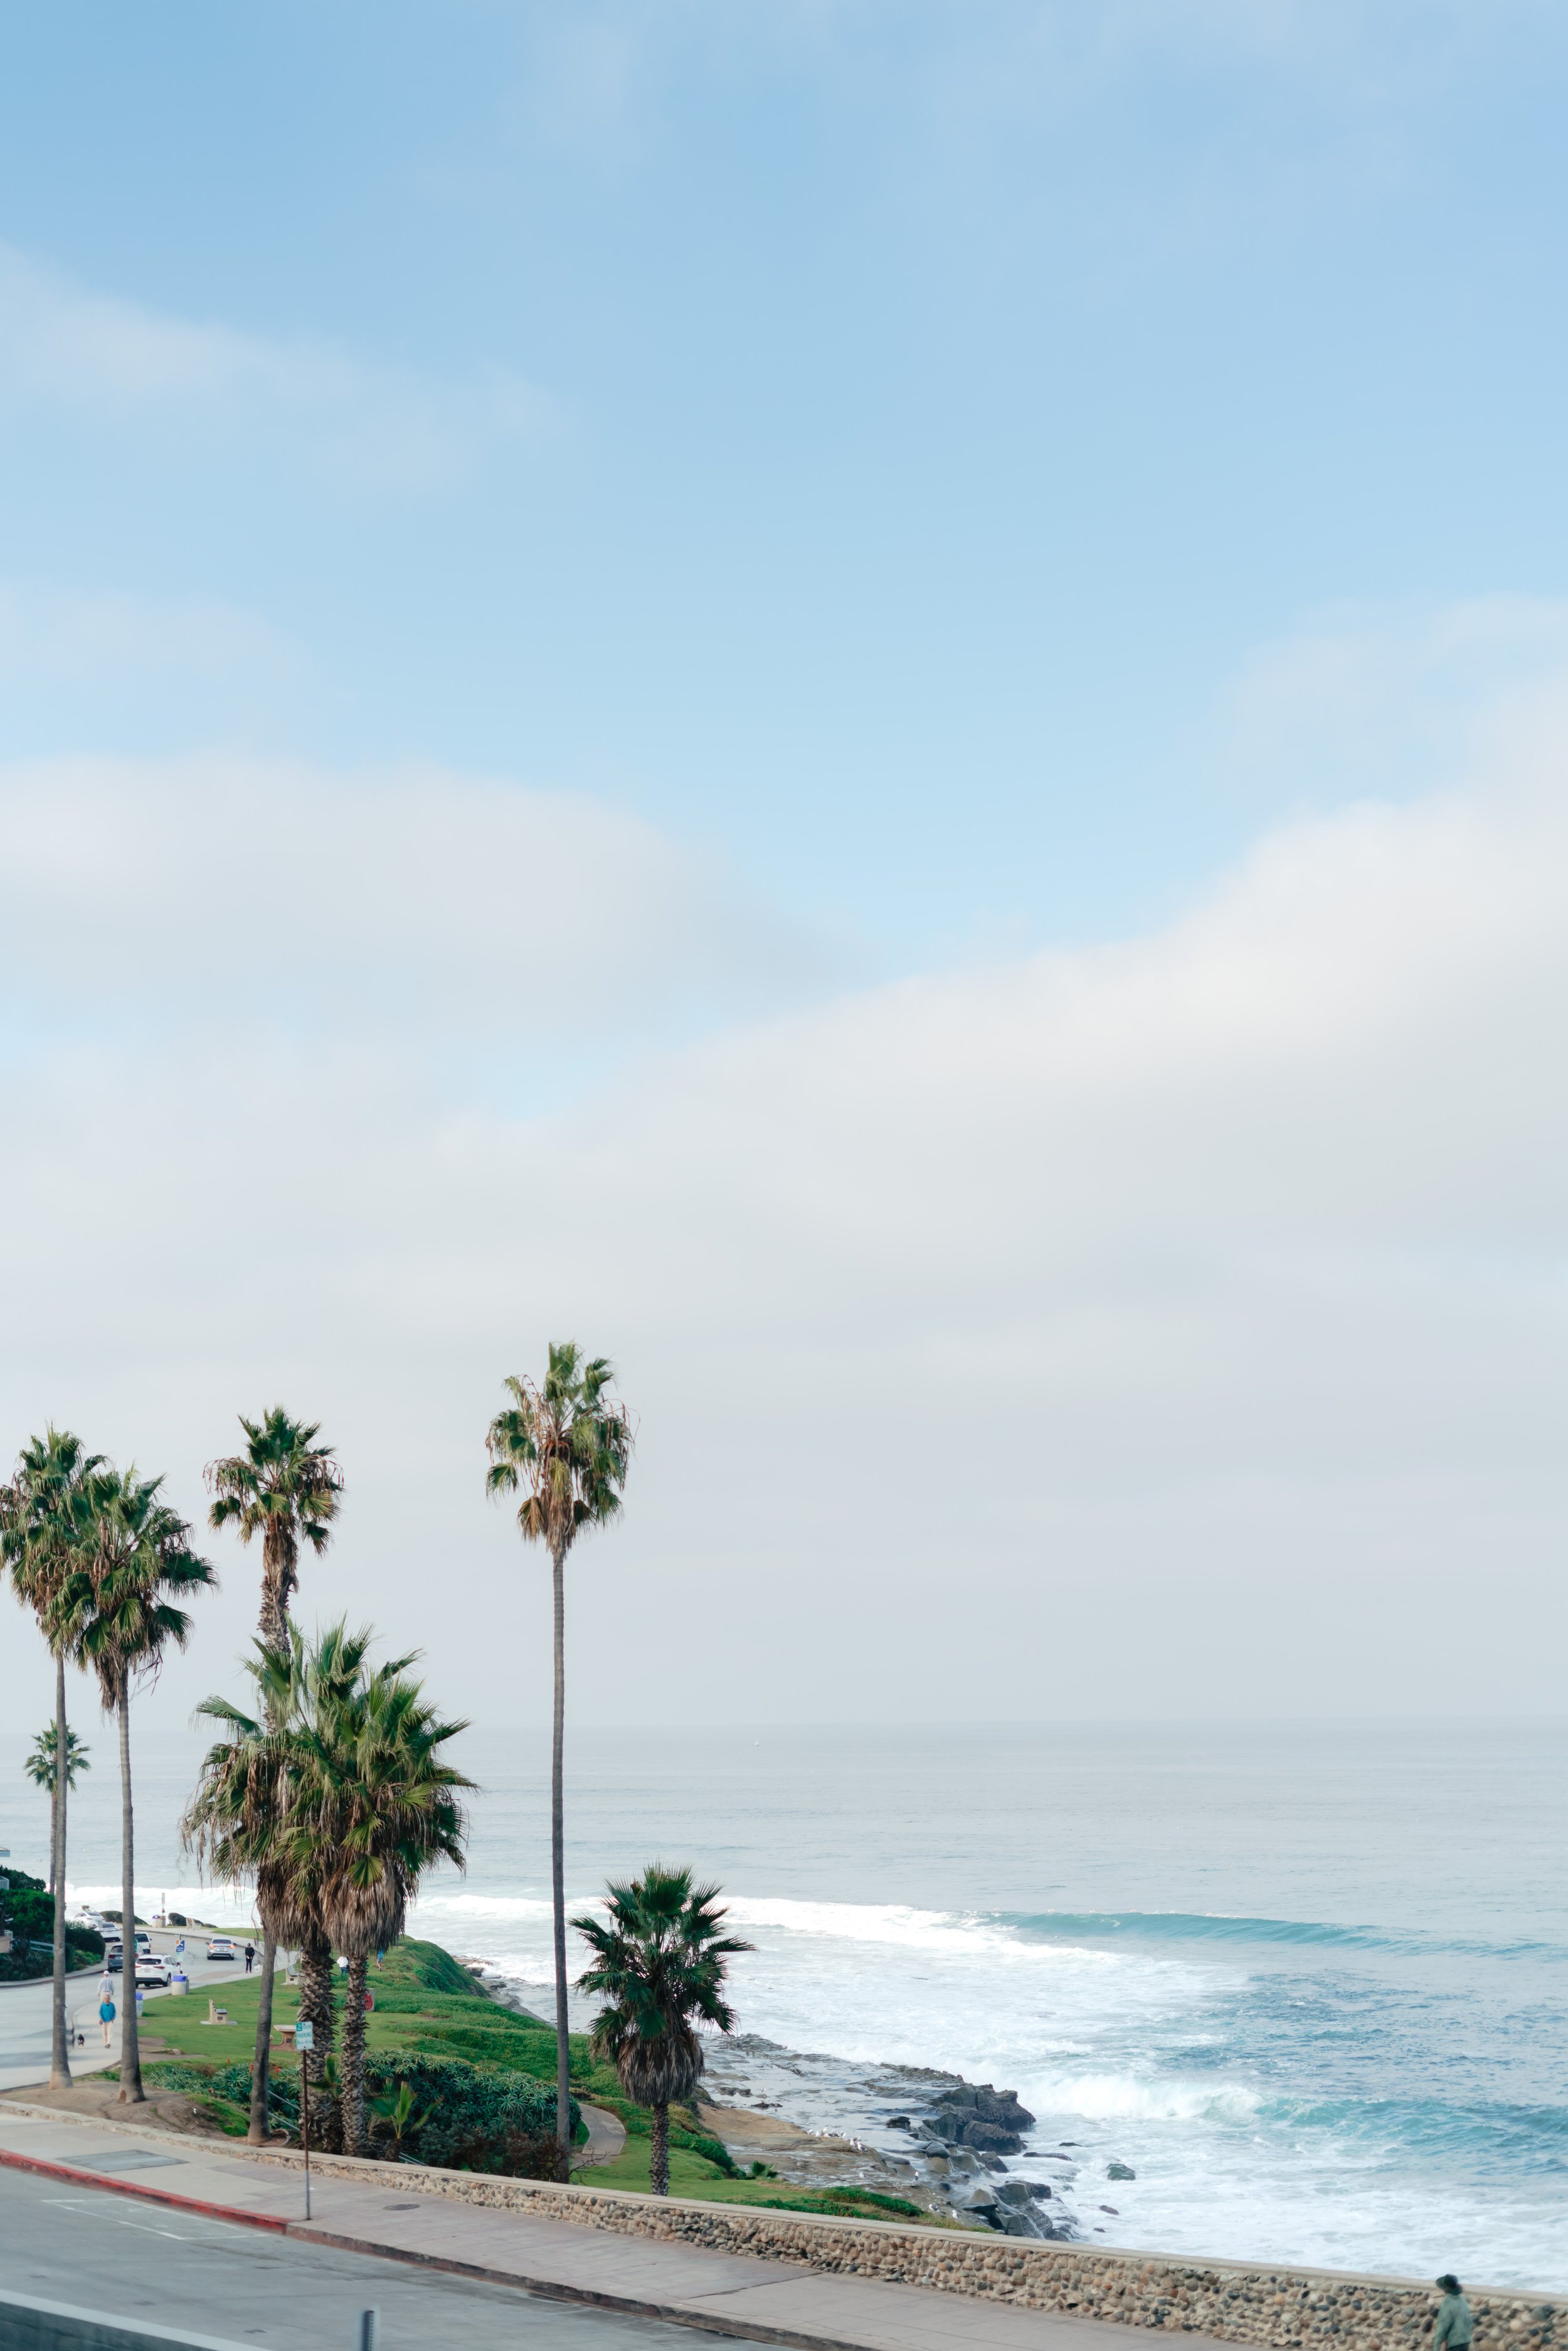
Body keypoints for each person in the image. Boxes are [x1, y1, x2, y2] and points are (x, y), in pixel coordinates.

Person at [1434, 2276, 1473, 2349]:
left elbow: (1442, 2328)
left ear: (1445, 2289)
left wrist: (1436, 2347)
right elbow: (1469, 2323)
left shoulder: (1447, 2303)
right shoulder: (1463, 2301)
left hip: (1454, 2344)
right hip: (1466, 2342)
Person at [97, 1973, 116, 2048]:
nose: (107, 2000)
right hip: (104, 2021)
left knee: (110, 2032)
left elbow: (114, 2012)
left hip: (110, 2021)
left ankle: (109, 2043)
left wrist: (113, 2019)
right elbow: (100, 2012)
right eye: (106, 1999)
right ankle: (105, 2043)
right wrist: (101, 2018)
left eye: (108, 1999)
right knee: (104, 2033)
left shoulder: (112, 2005)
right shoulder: (102, 2005)